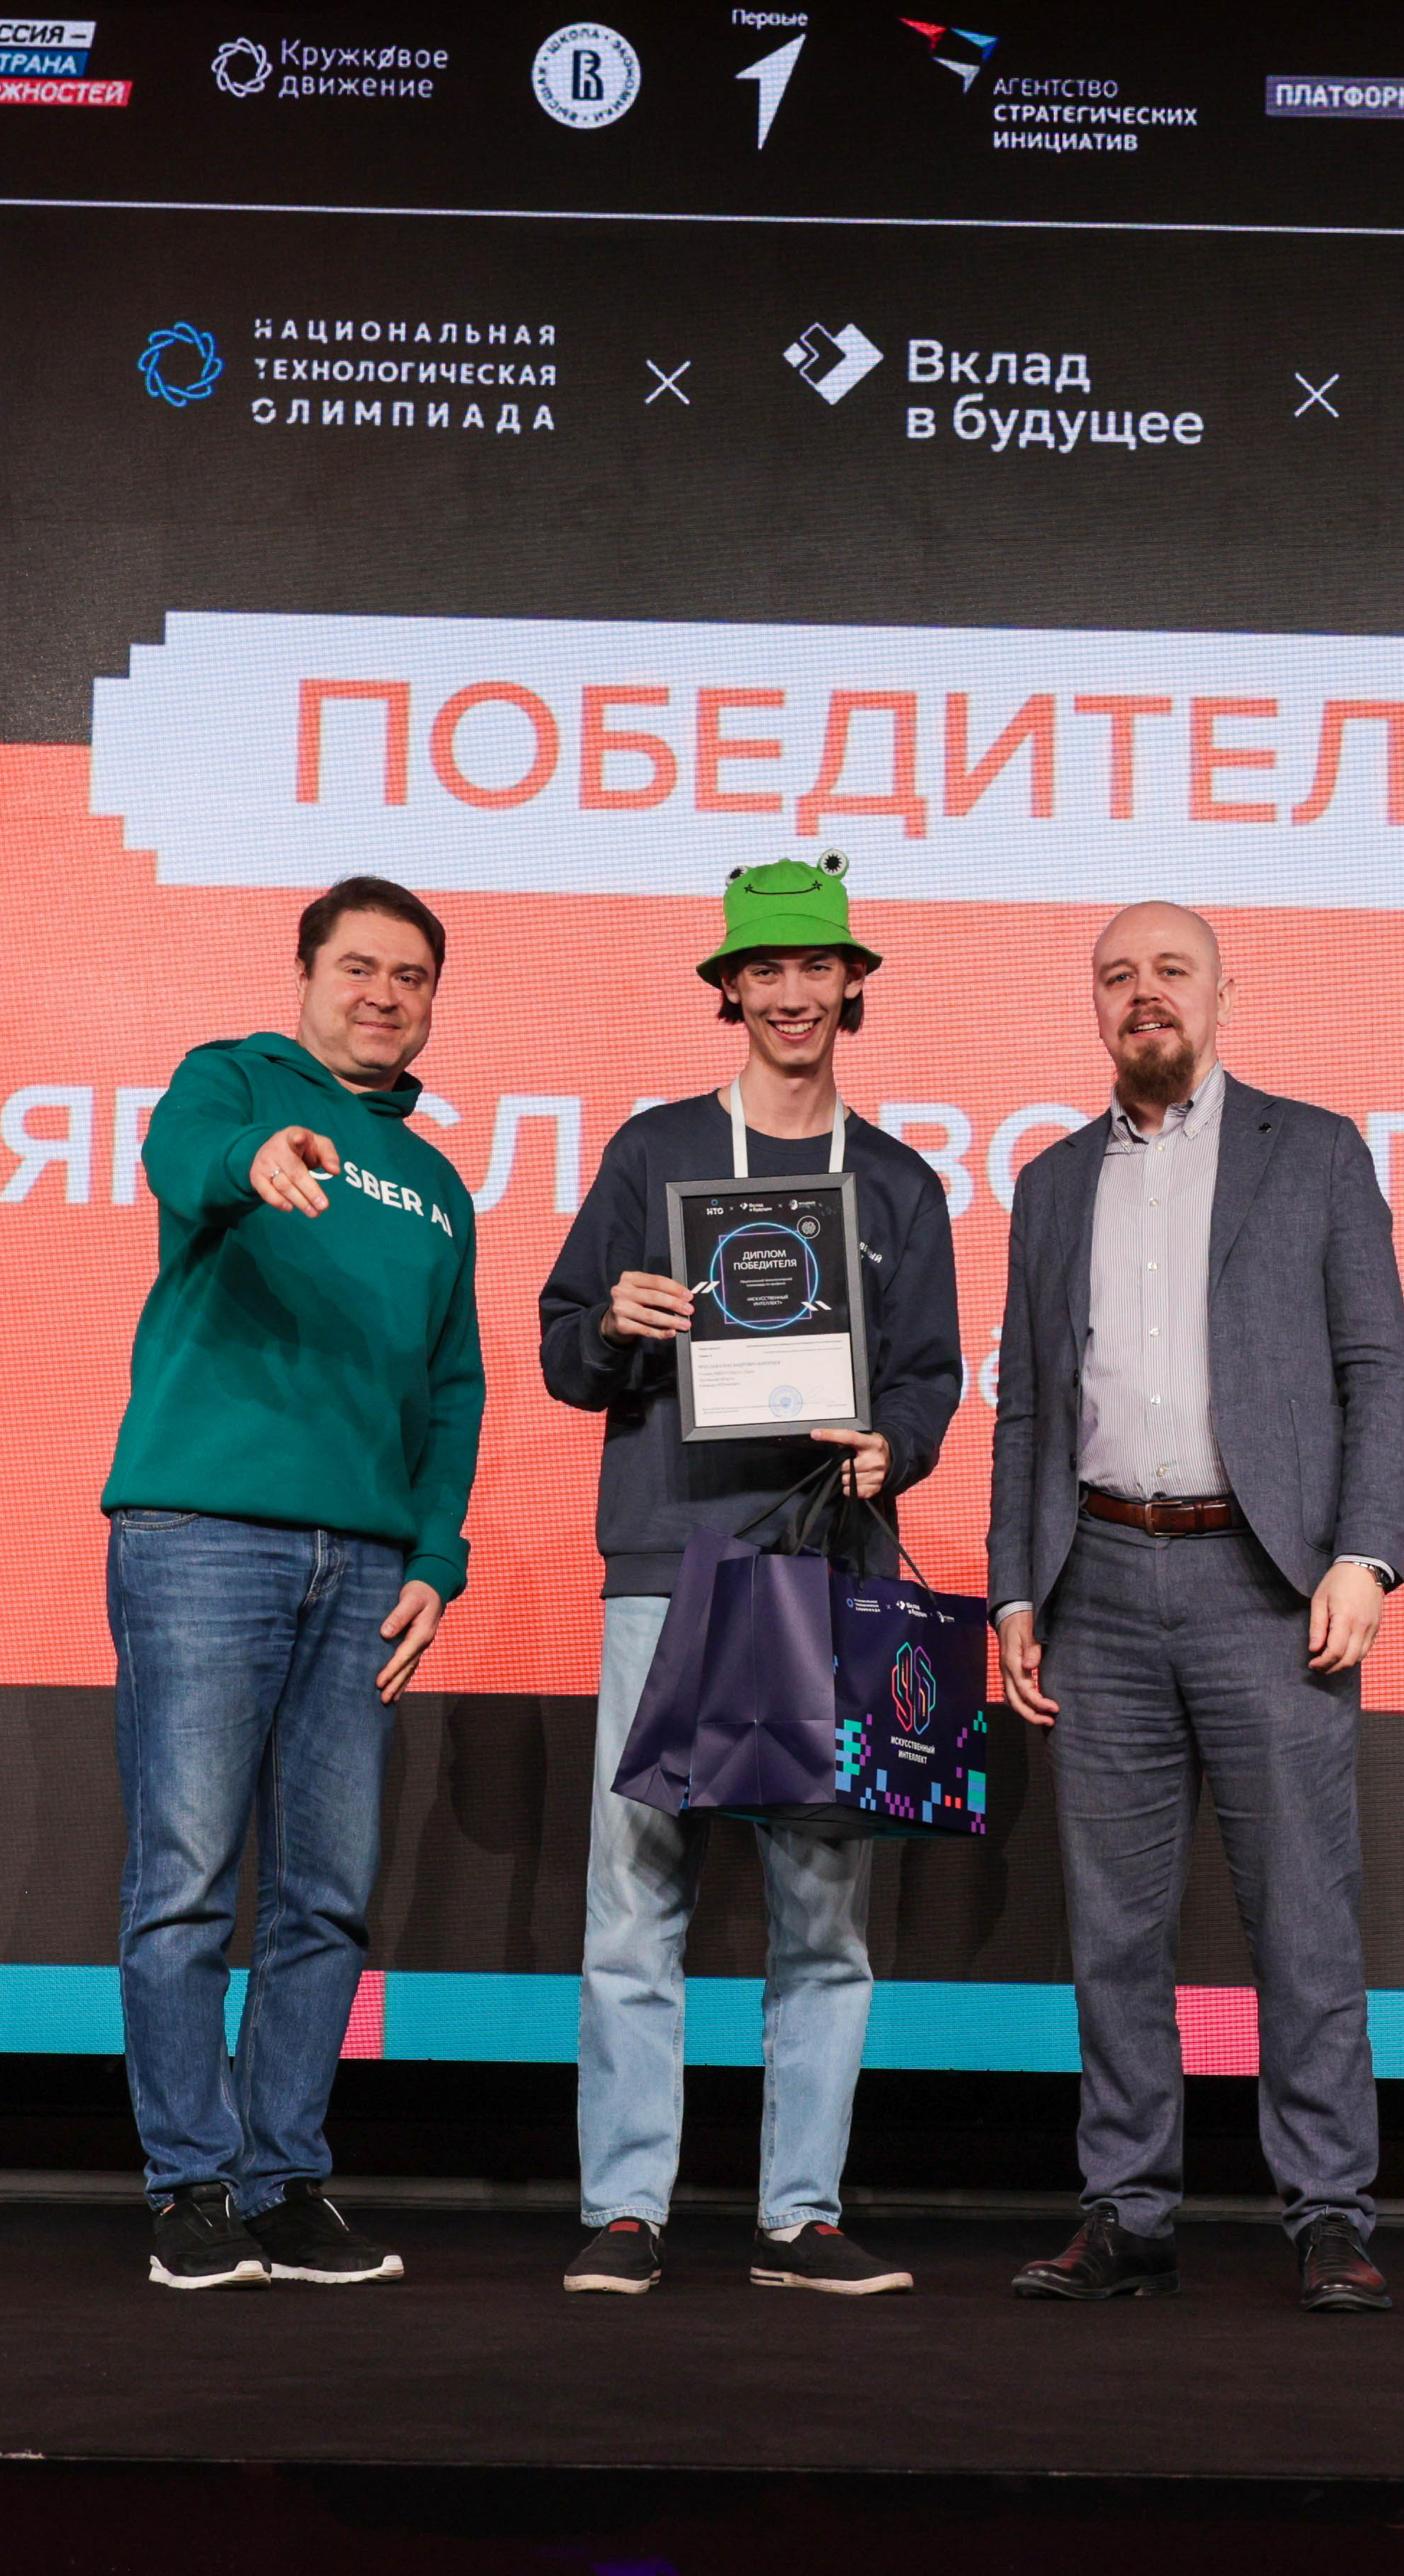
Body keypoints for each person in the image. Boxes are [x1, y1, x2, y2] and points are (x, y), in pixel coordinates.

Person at [536, 854, 964, 2297]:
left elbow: (930, 1377)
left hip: (828, 1569)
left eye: (815, 967)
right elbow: (563, 1352)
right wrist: (617, 1321)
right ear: (730, 989)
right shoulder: (654, 1152)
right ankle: (625, 2208)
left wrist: (895, 1448)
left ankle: (800, 2216)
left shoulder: (897, 1182)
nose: (791, 994)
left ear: (852, 985)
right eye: (764, 970)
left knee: (822, 1906)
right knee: (635, 1894)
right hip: (670, 1559)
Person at [987, 900, 1404, 2315]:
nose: (1144, 995)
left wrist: (1364, 1554)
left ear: (1226, 994)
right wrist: (1014, 1586)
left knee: (1304, 1918)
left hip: (1267, 1583)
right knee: (1113, 1931)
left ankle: (1330, 2214)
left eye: (1171, 971)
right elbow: (1027, 1406)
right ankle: (1127, 2212)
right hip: (1099, 1583)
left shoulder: (1319, 1152)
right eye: (1118, 976)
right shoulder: (1051, 1183)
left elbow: (1379, 1371)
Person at [99, 876, 484, 2291]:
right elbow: (178, 1156)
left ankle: (282, 2183)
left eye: (411, 977)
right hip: (205, 1534)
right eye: (359, 968)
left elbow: (455, 1386)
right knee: (188, 1881)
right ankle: (190, 2187)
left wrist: (435, 1557)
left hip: (366, 1564)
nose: (384, 995)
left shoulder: (438, 1187)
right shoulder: (234, 1082)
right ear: (308, 976)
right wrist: (253, 1157)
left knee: (325, 1897)